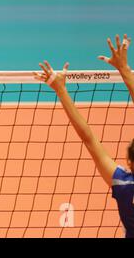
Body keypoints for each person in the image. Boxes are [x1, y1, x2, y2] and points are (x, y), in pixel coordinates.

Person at [34, 34, 134, 238]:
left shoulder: (123, 185)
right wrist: (124, 69)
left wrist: (60, 90)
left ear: (129, 163)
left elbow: (89, 139)